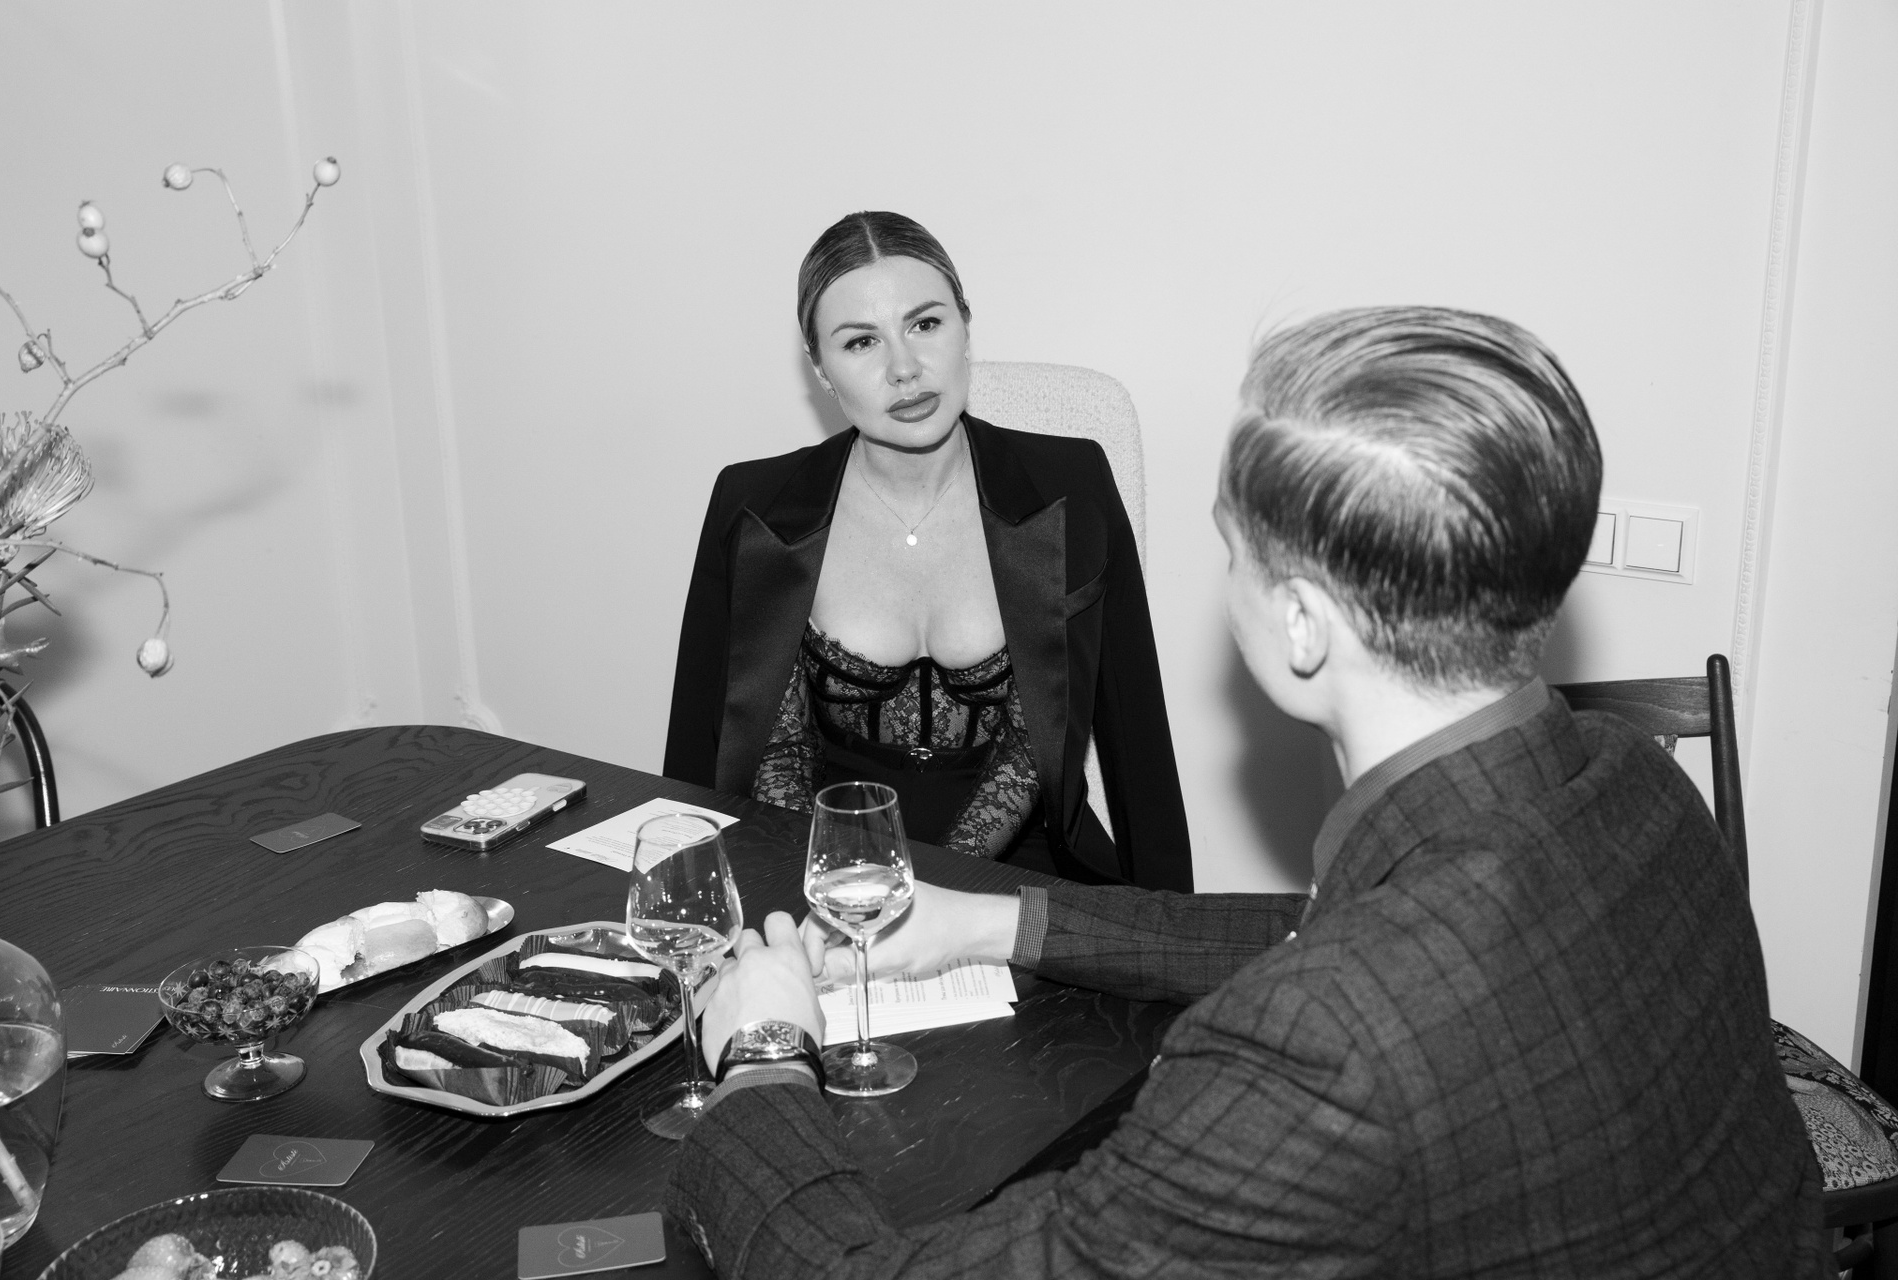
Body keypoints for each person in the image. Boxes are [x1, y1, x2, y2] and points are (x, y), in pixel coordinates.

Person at [664, 306, 1831, 1277]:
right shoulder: (1631, 783)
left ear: (1302, 624)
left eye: (1234, 549)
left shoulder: (1321, 1051)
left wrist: (764, 1051)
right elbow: (1321, 931)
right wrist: (995, 921)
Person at [664, 212, 1190, 889]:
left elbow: (1134, 735)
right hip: (822, 859)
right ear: (820, 369)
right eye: (861, 342)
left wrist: (1172, 938)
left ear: (965, 326)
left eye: (926, 324)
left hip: (1021, 870)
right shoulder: (754, 505)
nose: (905, 369)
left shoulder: (1071, 484)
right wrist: (722, 906)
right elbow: (728, 749)